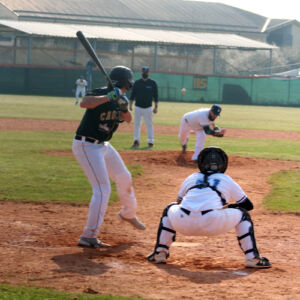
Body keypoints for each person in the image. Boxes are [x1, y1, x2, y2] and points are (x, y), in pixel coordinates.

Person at [147, 147, 271, 269]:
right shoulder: (226, 179)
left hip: (182, 222)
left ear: (201, 163)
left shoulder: (191, 177)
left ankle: (159, 253)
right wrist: (227, 206)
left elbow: (179, 202)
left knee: (169, 208)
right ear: (223, 164)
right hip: (213, 222)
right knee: (244, 214)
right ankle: (252, 258)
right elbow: (248, 206)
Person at [72, 66, 146, 248]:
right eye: (127, 85)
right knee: (102, 189)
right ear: (124, 83)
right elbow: (85, 102)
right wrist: (108, 97)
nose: (128, 88)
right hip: (86, 145)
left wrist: (123, 106)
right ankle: (89, 236)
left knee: (124, 177)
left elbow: (128, 118)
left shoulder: (120, 98)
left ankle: (128, 214)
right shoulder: (101, 93)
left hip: (103, 145)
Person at [129, 66, 158, 148]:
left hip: (148, 108)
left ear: (148, 73)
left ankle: (150, 141)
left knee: (149, 125)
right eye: (143, 72)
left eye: (146, 72)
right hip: (138, 107)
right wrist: (130, 105)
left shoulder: (152, 83)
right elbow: (132, 95)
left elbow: (156, 96)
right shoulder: (137, 83)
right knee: (137, 125)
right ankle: (136, 141)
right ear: (141, 73)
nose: (145, 73)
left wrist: (156, 107)